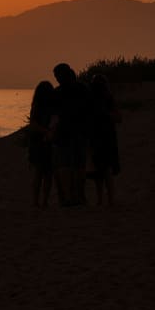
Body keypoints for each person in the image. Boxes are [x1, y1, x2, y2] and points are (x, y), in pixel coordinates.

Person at [50, 63, 91, 206]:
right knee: (78, 165)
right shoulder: (82, 88)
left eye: (57, 75)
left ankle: (69, 197)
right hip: (79, 130)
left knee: (65, 165)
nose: (56, 78)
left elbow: (54, 115)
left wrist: (52, 131)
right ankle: (79, 196)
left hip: (65, 132)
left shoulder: (58, 92)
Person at [90, 74, 121, 205]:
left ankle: (101, 199)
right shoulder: (108, 98)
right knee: (106, 169)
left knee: (99, 170)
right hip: (108, 136)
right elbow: (118, 117)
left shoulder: (92, 100)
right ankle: (110, 199)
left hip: (97, 137)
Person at [26, 81, 56, 208]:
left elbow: (32, 124)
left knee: (40, 173)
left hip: (38, 142)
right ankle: (43, 201)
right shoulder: (50, 107)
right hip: (43, 141)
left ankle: (37, 201)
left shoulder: (37, 106)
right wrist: (48, 131)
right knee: (46, 173)